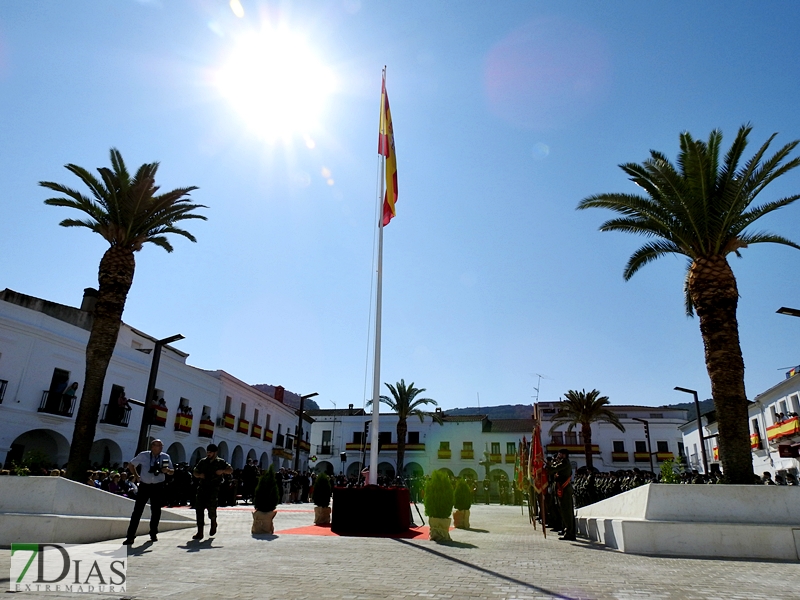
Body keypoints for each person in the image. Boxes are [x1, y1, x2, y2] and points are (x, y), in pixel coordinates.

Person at [123, 439, 174, 545]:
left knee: (156, 511)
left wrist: (167, 470)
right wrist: (137, 476)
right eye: (158, 445)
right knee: (137, 511)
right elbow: (131, 465)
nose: (160, 447)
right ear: (152, 446)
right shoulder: (144, 455)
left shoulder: (165, 456)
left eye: (161, 446)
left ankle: (153, 533)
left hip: (158, 485)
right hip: (144, 485)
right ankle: (130, 536)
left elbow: (172, 471)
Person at [192, 443, 232, 539]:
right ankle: (200, 532)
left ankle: (213, 523)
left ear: (215, 453)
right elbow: (195, 471)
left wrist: (222, 471)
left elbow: (230, 470)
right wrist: (199, 475)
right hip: (202, 488)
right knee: (199, 510)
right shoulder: (203, 461)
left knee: (211, 509)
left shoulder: (220, 462)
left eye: (210, 452)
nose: (208, 454)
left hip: (213, 489)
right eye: (207, 452)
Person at [547, 448, 576, 541]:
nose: (558, 456)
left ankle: (570, 533)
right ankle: (567, 531)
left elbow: (554, 469)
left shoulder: (564, 463)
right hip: (563, 490)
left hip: (565, 490)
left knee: (567, 512)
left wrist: (547, 466)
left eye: (559, 454)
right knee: (565, 512)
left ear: (564, 455)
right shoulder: (563, 462)